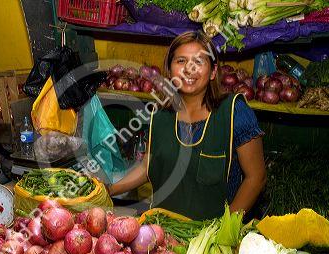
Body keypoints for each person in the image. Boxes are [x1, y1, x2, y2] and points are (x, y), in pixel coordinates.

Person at [108, 31, 266, 220]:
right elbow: (147, 166)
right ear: (170, 69)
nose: (189, 69)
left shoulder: (234, 111)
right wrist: (109, 189)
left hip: (212, 237)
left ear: (213, 71)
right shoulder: (159, 114)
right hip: (164, 232)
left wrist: (224, 229)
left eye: (198, 62)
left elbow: (256, 178)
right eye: (181, 61)